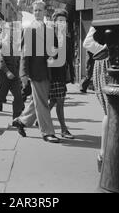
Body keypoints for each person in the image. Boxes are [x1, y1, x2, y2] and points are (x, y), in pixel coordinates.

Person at [12, 1, 61, 143]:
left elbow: (56, 48)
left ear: (45, 12)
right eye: (35, 10)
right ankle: (47, 132)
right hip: (35, 71)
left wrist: (53, 54)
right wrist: (23, 74)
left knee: (37, 101)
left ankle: (21, 121)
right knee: (43, 103)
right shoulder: (28, 29)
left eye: (40, 10)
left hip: (47, 70)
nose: (37, 13)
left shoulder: (50, 29)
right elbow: (24, 53)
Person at [83, 26, 109, 172]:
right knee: (110, 110)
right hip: (107, 64)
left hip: (112, 64)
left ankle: (105, 154)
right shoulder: (100, 20)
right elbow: (87, 42)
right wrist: (108, 50)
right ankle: (103, 154)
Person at [48, 10, 75, 140]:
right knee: (60, 101)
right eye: (59, 20)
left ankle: (39, 118)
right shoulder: (49, 37)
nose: (62, 23)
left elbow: (70, 58)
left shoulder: (68, 38)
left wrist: (72, 75)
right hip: (52, 74)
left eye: (63, 21)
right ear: (54, 22)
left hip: (62, 75)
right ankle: (64, 129)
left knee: (54, 100)